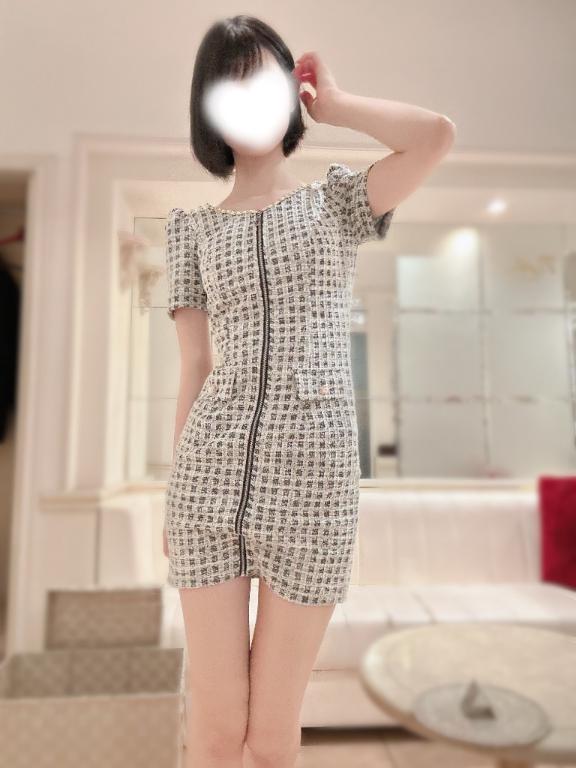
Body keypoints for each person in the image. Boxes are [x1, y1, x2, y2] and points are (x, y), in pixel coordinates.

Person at [163, 14, 455, 768]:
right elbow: (194, 366)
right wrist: (171, 492)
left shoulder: (337, 202)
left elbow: (434, 138)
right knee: (215, 730)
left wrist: (341, 104)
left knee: (271, 735)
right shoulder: (190, 230)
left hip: (315, 485)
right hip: (206, 483)